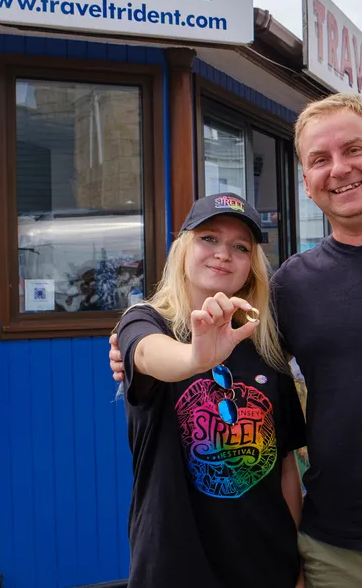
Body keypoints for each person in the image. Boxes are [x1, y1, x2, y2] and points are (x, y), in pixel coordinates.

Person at [112, 93, 362, 588]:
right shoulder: (290, 287)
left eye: (354, 150)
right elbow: (213, 367)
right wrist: (142, 353)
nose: (339, 169)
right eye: (319, 160)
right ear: (306, 183)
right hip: (328, 550)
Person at [114, 193, 307, 588]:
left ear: (250, 269)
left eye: (240, 247)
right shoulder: (146, 321)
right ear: (183, 249)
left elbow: (285, 466)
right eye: (209, 238)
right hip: (173, 568)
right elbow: (149, 355)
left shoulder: (265, 346)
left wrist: (297, 565)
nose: (223, 253)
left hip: (266, 567)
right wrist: (197, 358)